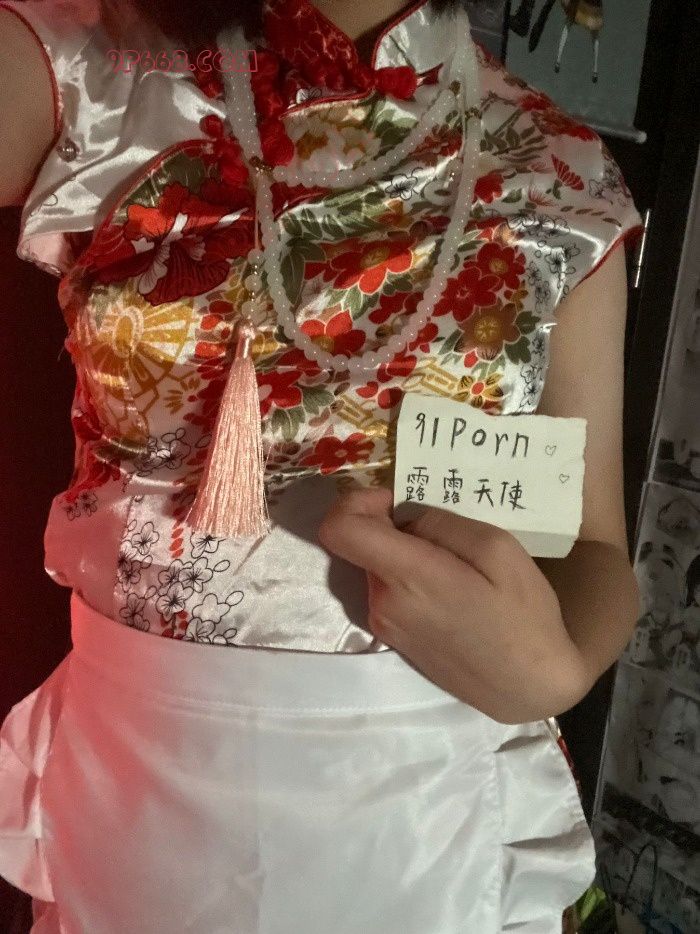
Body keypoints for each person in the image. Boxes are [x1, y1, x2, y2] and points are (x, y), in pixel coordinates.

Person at [0, 0, 643, 931]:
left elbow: (594, 545)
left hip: (420, 799)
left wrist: (562, 669)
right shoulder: (92, 70)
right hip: (137, 785)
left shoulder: (558, 174)